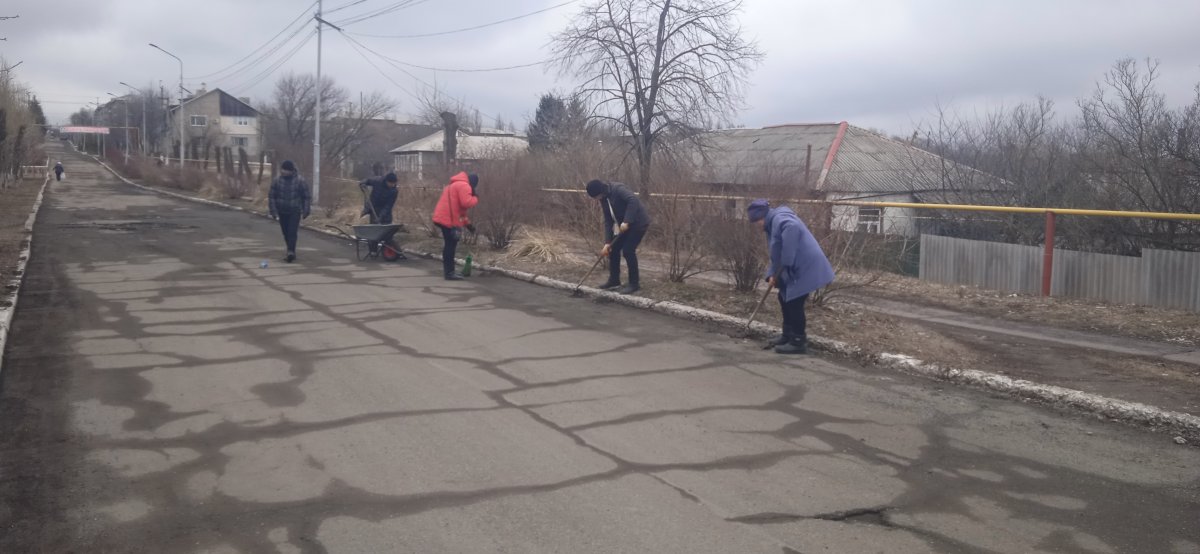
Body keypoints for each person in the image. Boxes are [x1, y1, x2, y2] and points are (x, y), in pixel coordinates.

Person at [747, 199, 834, 354]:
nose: (757, 225)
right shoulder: (771, 223)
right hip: (794, 267)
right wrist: (772, 275)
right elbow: (775, 254)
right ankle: (787, 335)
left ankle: (798, 341)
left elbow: (791, 227)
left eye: (757, 221)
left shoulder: (780, 219)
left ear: (762, 216)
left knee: (794, 302)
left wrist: (787, 259)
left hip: (806, 267)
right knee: (783, 297)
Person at [586, 179, 651, 295]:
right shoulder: (604, 199)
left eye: (596, 197)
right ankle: (614, 280)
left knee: (628, 251)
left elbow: (633, 201)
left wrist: (627, 220)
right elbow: (608, 221)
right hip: (622, 226)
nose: (596, 199)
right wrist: (607, 242)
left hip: (638, 223)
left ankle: (634, 284)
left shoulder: (618, 189)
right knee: (613, 249)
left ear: (600, 191)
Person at [432, 171, 479, 280]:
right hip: (448, 220)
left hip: (442, 218)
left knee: (449, 244)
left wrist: (468, 225)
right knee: (450, 245)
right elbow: (466, 203)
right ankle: (449, 273)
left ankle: (449, 271)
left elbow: (460, 211)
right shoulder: (464, 186)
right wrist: (475, 198)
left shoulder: (453, 185)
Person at [268, 160, 312, 263]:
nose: (284, 172)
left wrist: (306, 210)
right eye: (283, 170)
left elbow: (306, 197)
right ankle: (291, 250)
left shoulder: (300, 181)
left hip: (294, 210)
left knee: (292, 232)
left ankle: (291, 251)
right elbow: (272, 197)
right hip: (282, 211)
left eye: (286, 170)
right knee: (285, 232)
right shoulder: (277, 181)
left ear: (292, 171)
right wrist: (273, 211)